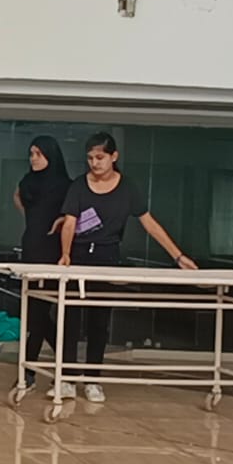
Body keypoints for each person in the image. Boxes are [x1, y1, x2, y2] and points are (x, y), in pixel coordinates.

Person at [59, 132, 196, 403]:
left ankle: (93, 379)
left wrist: (178, 256)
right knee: (70, 319)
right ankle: (66, 378)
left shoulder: (127, 188)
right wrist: (65, 254)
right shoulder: (78, 186)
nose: (94, 163)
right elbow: (69, 222)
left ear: (114, 157)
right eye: (90, 158)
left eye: (100, 157)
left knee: (99, 321)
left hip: (107, 257)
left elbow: (149, 224)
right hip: (78, 257)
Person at [13, 135, 72, 393]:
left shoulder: (65, 186)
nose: (33, 158)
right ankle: (65, 360)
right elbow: (18, 197)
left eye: (39, 154)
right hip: (31, 248)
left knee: (39, 311)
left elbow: (73, 216)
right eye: (31, 153)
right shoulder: (28, 181)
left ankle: (29, 371)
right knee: (34, 311)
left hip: (52, 252)